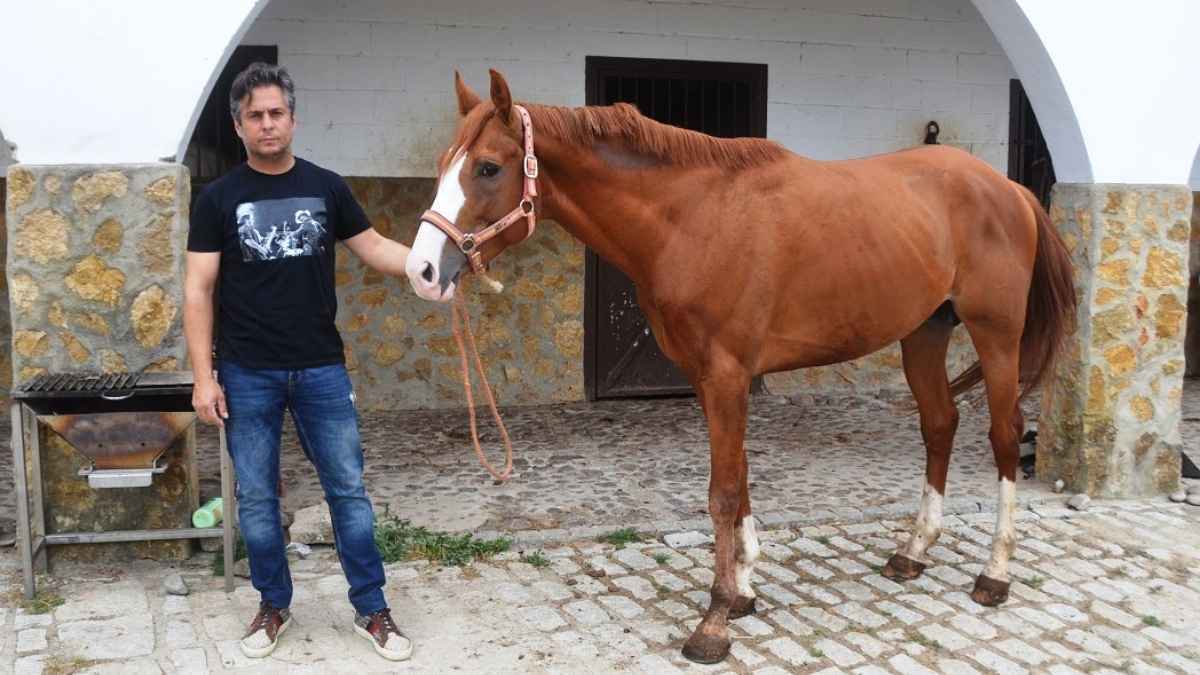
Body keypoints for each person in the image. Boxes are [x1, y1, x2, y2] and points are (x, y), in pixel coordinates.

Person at [183, 62, 413, 662]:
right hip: (246, 372)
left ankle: (372, 608)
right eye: (254, 115)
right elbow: (197, 289)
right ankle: (272, 604)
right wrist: (203, 378)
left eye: (276, 113)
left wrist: (429, 266)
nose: (267, 124)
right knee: (257, 500)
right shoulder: (218, 199)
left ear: (293, 118)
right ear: (238, 126)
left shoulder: (327, 186)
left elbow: (376, 248)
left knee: (348, 491)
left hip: (320, 369)